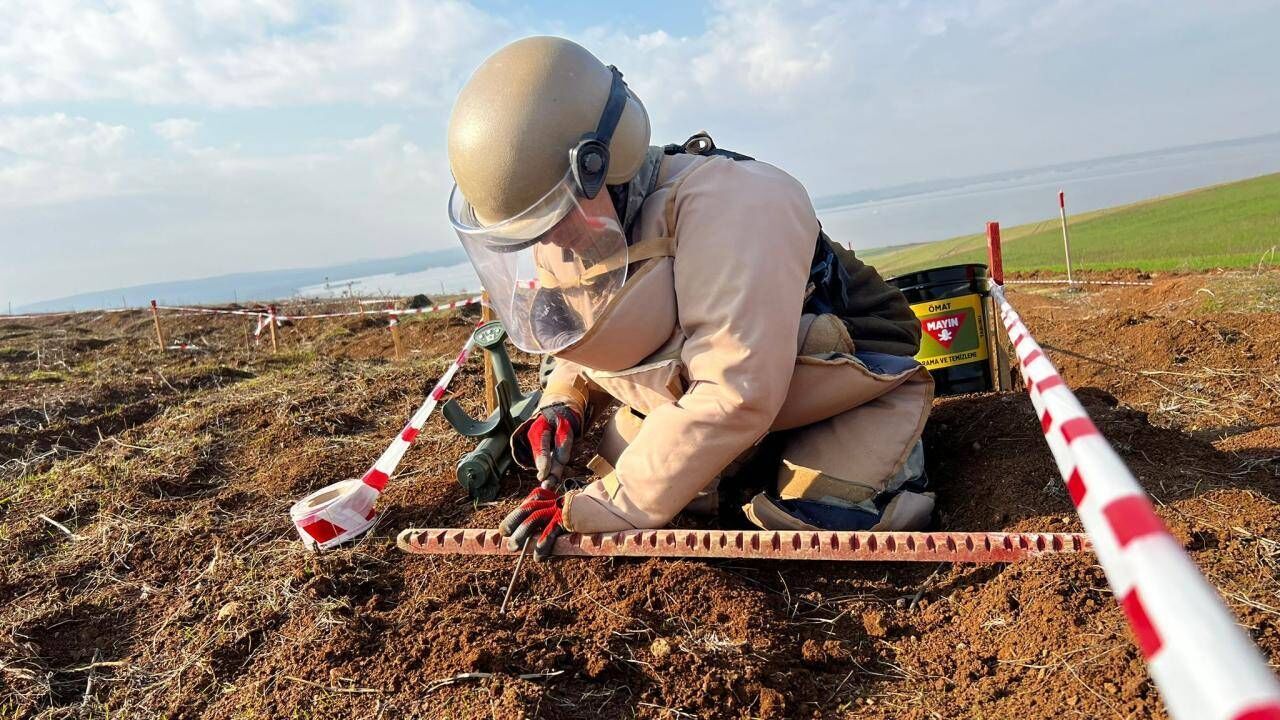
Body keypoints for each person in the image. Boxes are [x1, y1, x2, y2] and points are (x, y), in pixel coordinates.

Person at [446, 36, 935, 559]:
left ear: (599, 163)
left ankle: (868, 447)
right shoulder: (573, 230)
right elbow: (589, 334)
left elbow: (735, 389)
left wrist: (605, 506)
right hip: (701, 386)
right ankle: (742, 457)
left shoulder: (734, 202)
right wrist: (564, 402)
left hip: (834, 371)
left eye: (553, 216)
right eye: (531, 231)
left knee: (824, 522)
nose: (549, 243)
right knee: (672, 484)